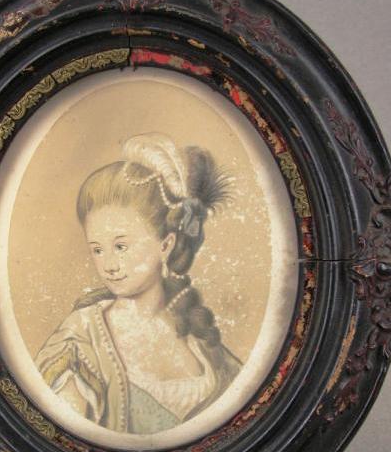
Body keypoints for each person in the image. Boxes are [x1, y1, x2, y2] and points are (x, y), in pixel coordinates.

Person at [35, 132, 241, 435]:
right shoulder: (79, 340)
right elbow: (62, 440)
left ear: (166, 245)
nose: (109, 265)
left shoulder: (202, 342)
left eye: (121, 246)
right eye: (97, 249)